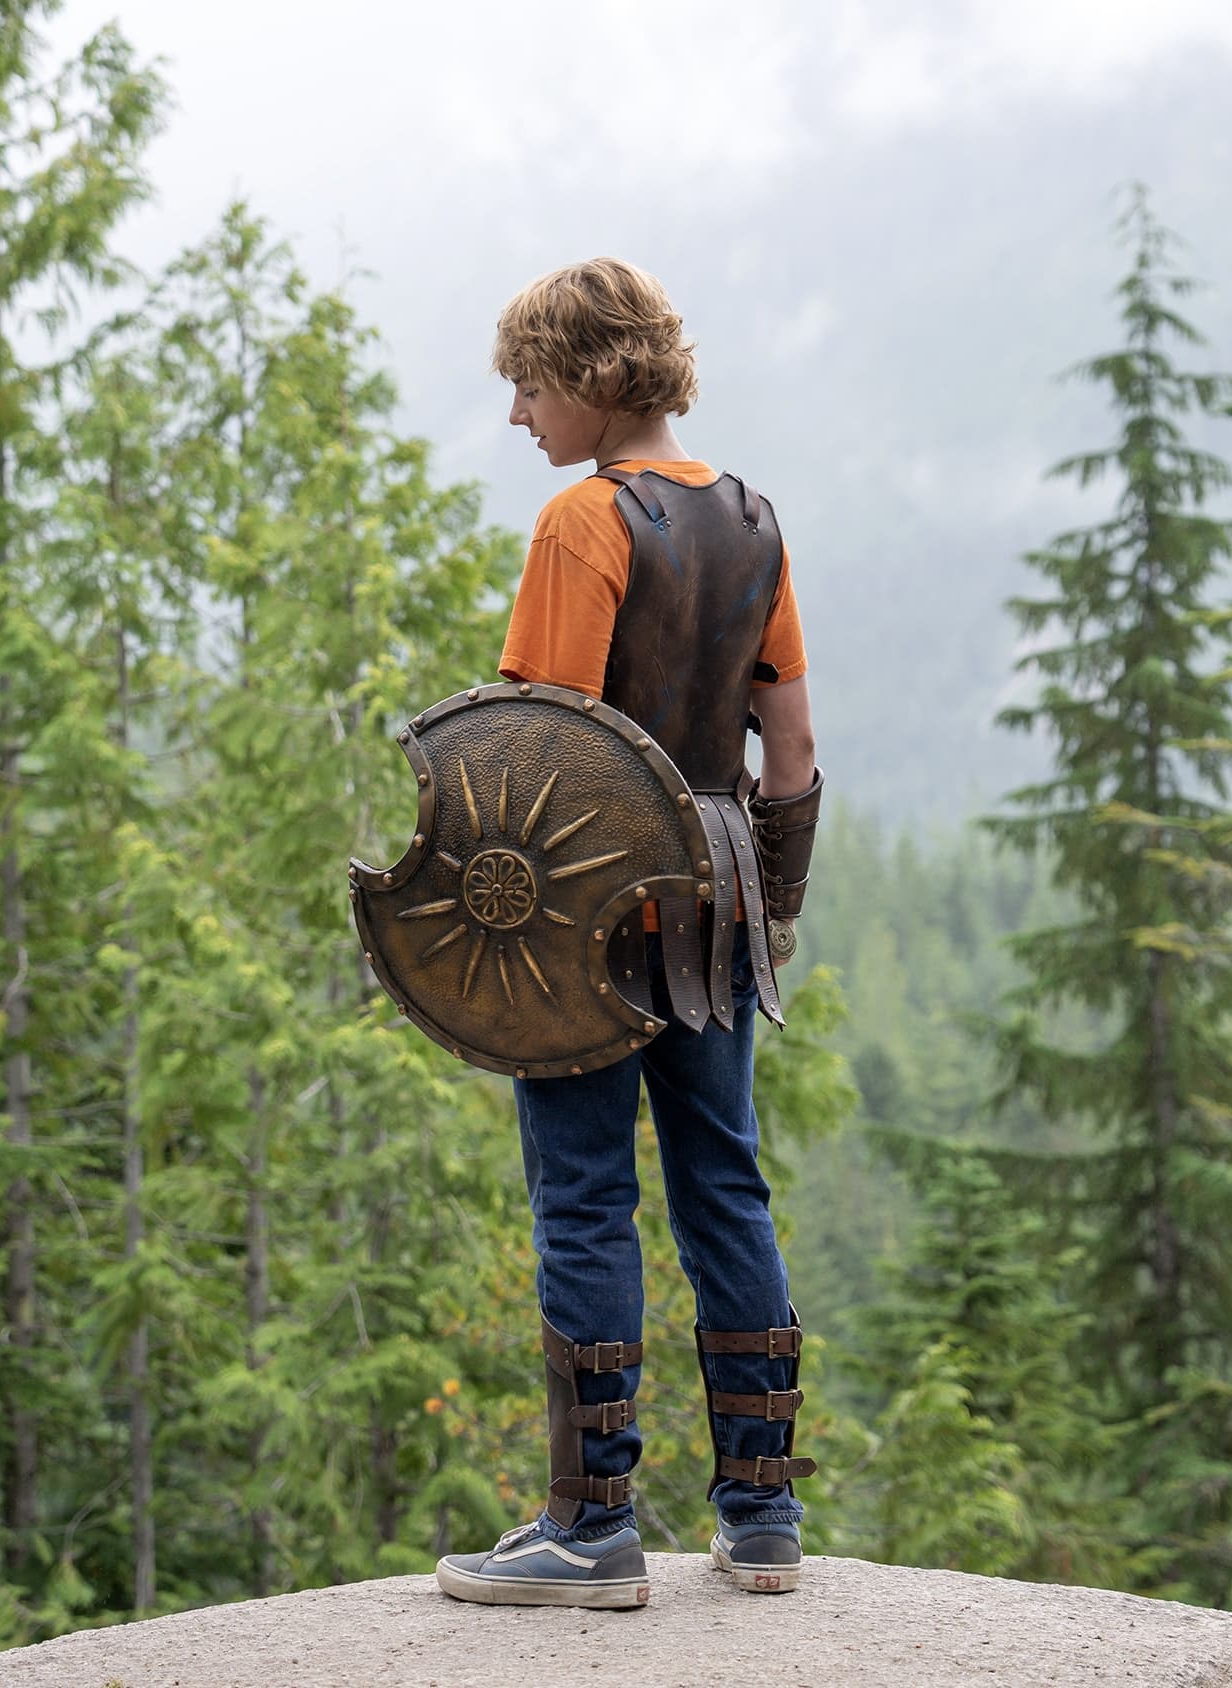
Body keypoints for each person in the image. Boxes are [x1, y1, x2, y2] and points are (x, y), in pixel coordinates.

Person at [433, 257, 826, 1609]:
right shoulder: (753, 521)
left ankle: (592, 1528)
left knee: (586, 1191)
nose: (519, 415)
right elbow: (790, 750)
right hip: (718, 895)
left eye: (529, 387)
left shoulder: (582, 524)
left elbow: (533, 753)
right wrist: (773, 911)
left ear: (595, 378)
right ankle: (763, 1514)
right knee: (725, 1183)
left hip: (590, 907)